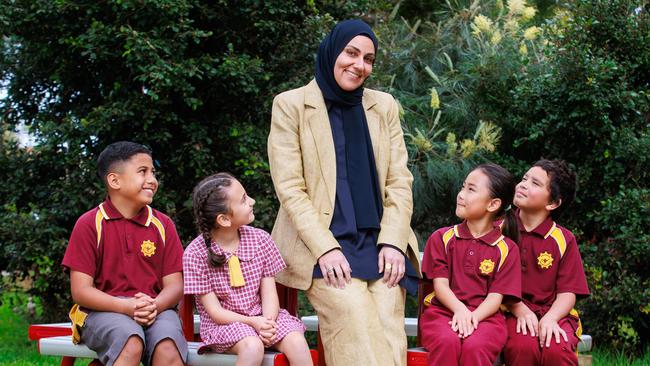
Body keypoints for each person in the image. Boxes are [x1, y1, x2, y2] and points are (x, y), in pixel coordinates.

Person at [267, 19, 421, 366]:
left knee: (385, 318)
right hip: (321, 244)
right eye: (351, 53)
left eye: (368, 59)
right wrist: (326, 249)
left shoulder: (383, 106)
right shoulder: (291, 105)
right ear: (333, 51)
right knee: (352, 313)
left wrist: (395, 241)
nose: (359, 65)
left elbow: (400, 181)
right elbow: (291, 189)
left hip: (380, 243)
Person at [62, 141, 187, 366]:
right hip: (102, 311)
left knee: (168, 346)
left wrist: (154, 306)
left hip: (155, 308)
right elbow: (81, 291)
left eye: (153, 172)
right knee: (130, 341)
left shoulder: (162, 224)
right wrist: (126, 307)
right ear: (114, 180)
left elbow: (175, 286)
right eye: (143, 172)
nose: (152, 180)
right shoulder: (90, 224)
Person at [182, 173, 311, 366]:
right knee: (253, 346)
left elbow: (269, 292)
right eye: (243, 200)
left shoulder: (261, 239)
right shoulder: (195, 253)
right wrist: (252, 323)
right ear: (224, 219)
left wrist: (267, 323)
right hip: (224, 325)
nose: (252, 201)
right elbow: (216, 312)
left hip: (264, 316)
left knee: (297, 342)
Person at [420, 163, 522, 366]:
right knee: (446, 341)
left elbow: (496, 297)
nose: (461, 194)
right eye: (463, 186)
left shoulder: (507, 249)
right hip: (442, 313)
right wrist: (460, 310)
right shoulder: (442, 238)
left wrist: (472, 317)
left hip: (486, 318)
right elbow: (440, 286)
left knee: (475, 346)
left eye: (471, 189)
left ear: (493, 204)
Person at [504, 159, 590, 365]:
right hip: (511, 310)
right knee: (522, 347)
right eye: (524, 178)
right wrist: (519, 309)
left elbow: (568, 292)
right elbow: (491, 283)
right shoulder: (500, 229)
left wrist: (551, 318)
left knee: (557, 348)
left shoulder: (563, 239)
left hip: (554, 313)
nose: (523, 184)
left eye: (535, 183)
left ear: (552, 203)